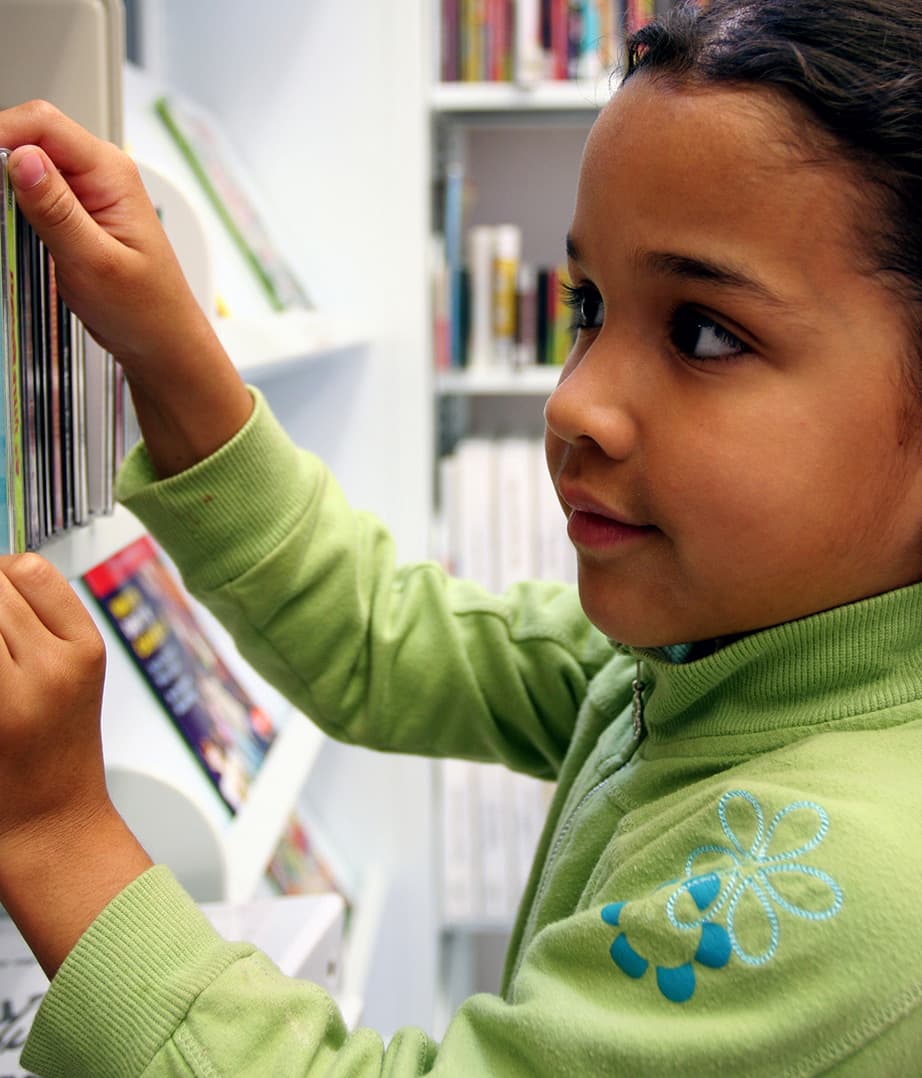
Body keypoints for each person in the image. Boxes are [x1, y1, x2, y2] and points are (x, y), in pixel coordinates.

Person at [0, 0, 920, 1072]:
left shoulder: (849, 883)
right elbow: (386, 640)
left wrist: (55, 834)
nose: (574, 403)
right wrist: (169, 353)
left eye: (702, 332)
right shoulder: (686, 653)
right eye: (587, 307)